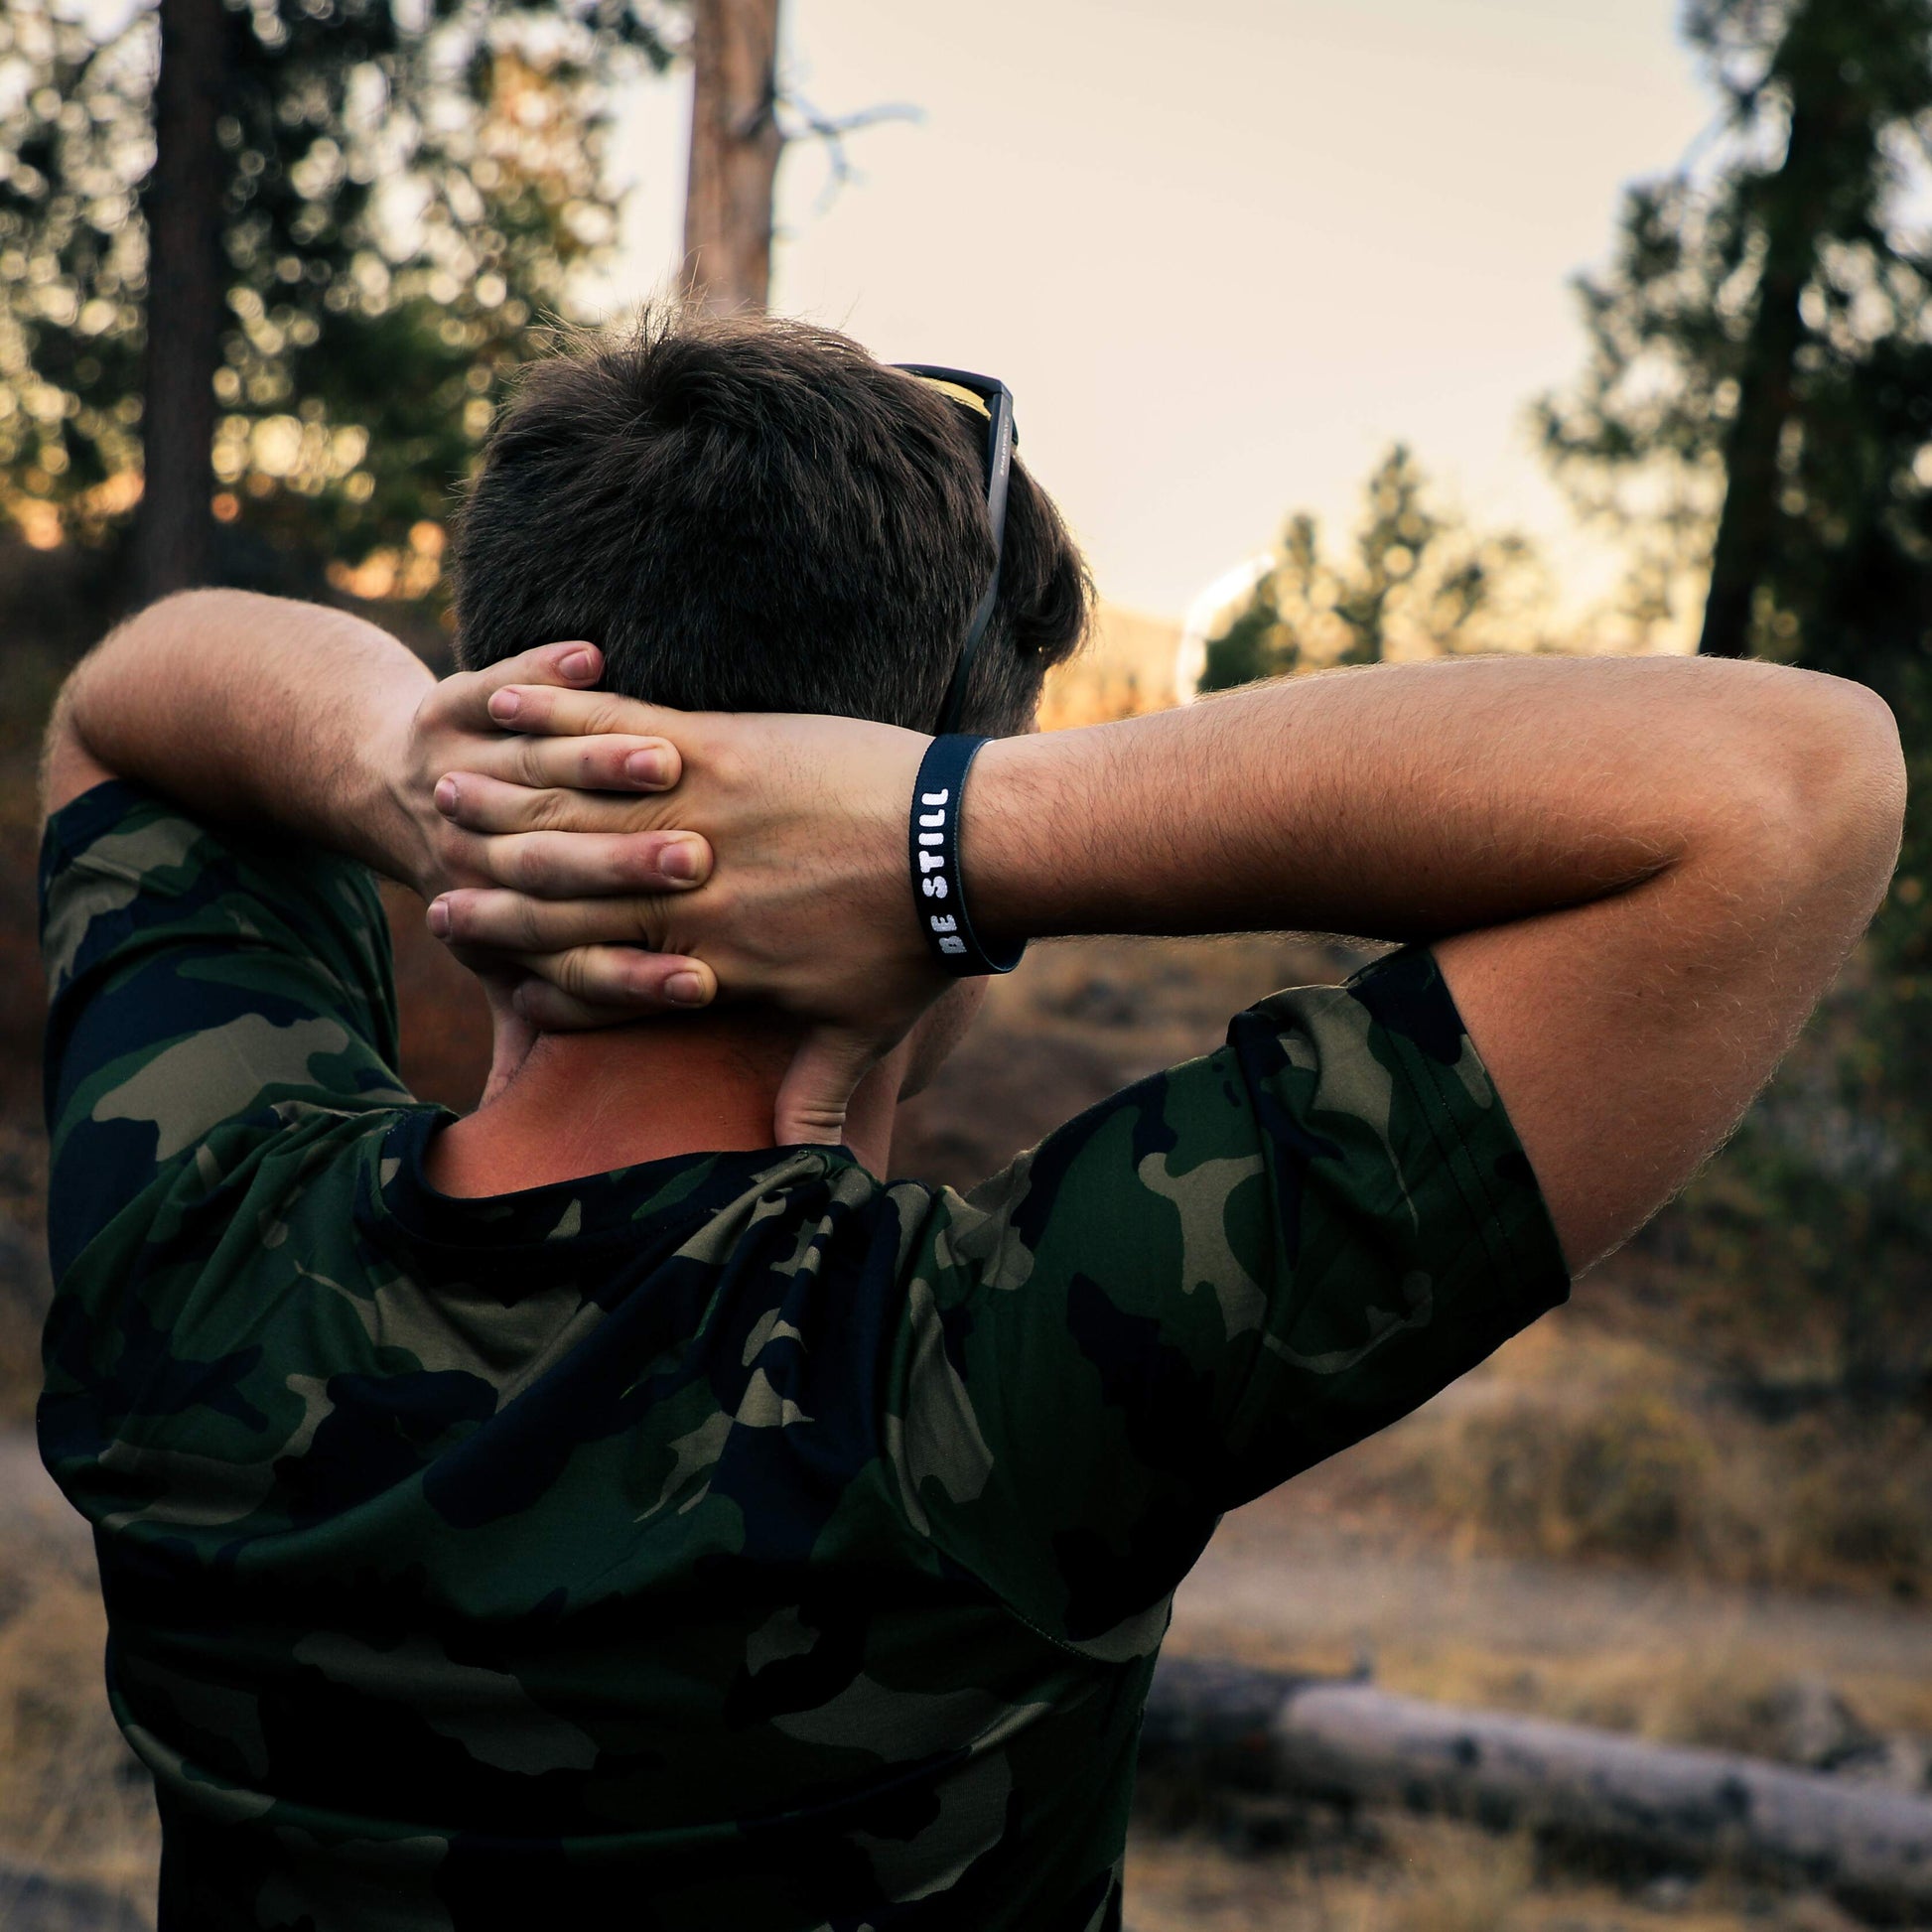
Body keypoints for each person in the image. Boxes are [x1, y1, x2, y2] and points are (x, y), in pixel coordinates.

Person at [37, 307, 1903, 1932]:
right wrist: (948, 837)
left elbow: (127, 712)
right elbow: (1789, 787)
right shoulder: (970, 1387)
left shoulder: (203, 1246)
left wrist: (423, 771)